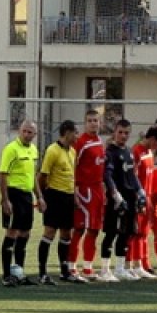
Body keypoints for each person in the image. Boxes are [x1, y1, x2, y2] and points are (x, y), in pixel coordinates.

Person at [0, 119, 44, 286]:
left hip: (26, 196)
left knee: (25, 233)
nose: (26, 134)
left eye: (30, 132)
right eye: (24, 131)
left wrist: (39, 196)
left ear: (35, 134)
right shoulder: (11, 149)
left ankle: (19, 272)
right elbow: (3, 174)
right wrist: (5, 199)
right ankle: (5, 275)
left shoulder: (33, 150)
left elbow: (33, 176)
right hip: (13, 193)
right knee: (11, 232)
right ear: (19, 131)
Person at [99, 119, 146, 282]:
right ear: (114, 132)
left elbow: (132, 175)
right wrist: (115, 195)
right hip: (117, 198)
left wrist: (140, 191)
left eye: (126, 133)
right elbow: (107, 175)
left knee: (127, 233)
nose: (123, 136)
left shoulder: (129, 152)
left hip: (130, 196)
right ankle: (104, 270)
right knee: (111, 232)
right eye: (120, 132)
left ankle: (119, 268)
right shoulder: (110, 152)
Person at [36, 120, 77, 285]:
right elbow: (42, 176)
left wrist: (73, 196)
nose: (76, 136)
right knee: (49, 233)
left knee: (67, 233)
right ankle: (42, 272)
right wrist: (43, 197)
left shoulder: (73, 152)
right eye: (75, 132)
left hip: (68, 196)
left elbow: (71, 176)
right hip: (54, 195)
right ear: (66, 132)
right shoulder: (52, 150)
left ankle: (64, 271)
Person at [70, 110, 105, 282]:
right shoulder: (80, 143)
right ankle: (71, 266)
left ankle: (88, 267)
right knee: (79, 228)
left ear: (100, 123)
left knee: (94, 230)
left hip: (98, 190)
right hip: (85, 191)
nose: (93, 123)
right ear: (85, 123)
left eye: (96, 121)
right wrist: (75, 189)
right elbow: (73, 167)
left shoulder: (99, 141)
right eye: (90, 120)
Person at [130, 125, 157, 278]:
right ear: (152, 139)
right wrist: (138, 196)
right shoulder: (136, 152)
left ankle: (140, 265)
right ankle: (128, 265)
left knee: (143, 232)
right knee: (135, 232)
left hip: (148, 198)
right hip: (138, 198)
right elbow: (132, 177)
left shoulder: (150, 152)